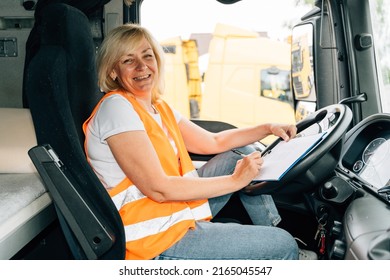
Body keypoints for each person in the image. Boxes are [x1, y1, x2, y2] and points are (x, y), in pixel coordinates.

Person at [83, 23, 301, 260]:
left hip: (174, 212)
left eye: (147, 56)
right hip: (153, 239)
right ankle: (279, 253)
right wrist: (236, 180)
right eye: (128, 60)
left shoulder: (157, 107)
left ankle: (270, 235)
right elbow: (159, 188)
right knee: (284, 245)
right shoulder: (117, 108)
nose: (142, 66)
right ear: (113, 71)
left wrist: (268, 128)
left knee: (240, 153)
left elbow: (214, 142)